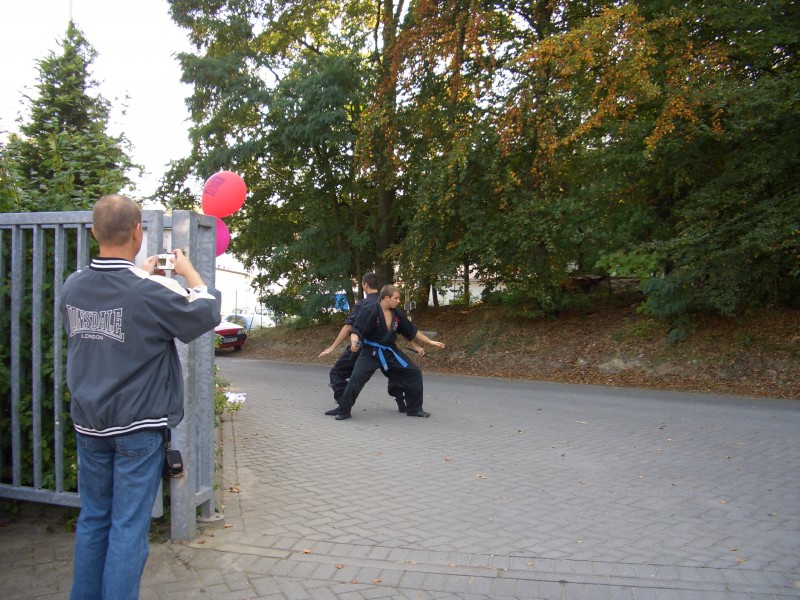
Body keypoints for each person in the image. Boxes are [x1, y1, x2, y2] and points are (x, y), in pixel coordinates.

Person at [60, 194, 220, 600]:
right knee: (128, 527)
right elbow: (204, 313)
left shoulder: (73, 285)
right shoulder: (150, 289)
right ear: (137, 232)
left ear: (94, 232)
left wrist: (142, 274)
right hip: (138, 427)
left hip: (89, 423)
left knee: (94, 519)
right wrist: (187, 271)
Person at [318, 272, 424, 416]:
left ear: (365, 285)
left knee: (338, 373)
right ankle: (401, 401)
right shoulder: (380, 303)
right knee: (394, 372)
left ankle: (343, 405)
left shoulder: (364, 304)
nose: (397, 300)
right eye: (397, 298)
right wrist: (415, 345)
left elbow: (349, 327)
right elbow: (402, 329)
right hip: (373, 348)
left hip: (363, 348)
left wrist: (333, 347)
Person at [335, 284, 445, 420]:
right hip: (370, 352)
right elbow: (356, 331)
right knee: (356, 378)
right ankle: (344, 411)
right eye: (396, 298)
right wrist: (354, 343)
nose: (398, 301)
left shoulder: (397, 313)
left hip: (390, 351)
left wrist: (430, 342)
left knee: (414, 373)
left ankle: (415, 409)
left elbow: (411, 330)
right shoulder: (369, 310)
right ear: (387, 298)